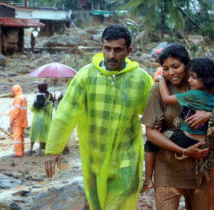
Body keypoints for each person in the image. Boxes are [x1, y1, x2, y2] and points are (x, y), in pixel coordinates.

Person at [44, 25, 153, 210]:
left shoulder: (140, 79)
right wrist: (53, 149)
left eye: (118, 50)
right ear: (101, 47)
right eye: (107, 48)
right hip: (94, 157)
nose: (111, 55)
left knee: (121, 203)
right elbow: (66, 112)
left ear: (129, 51)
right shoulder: (86, 76)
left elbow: (155, 114)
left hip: (127, 156)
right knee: (97, 203)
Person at [140, 43, 214, 210]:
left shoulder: (205, 88)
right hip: (168, 169)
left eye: (176, 66)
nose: (171, 73)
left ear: (187, 65)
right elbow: (151, 133)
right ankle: (148, 179)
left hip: (201, 169)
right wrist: (182, 151)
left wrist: (210, 116)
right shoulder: (159, 90)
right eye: (166, 68)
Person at [28, 83, 53, 156]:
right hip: (45, 119)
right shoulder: (48, 97)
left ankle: (31, 149)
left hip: (36, 118)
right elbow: (50, 111)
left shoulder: (37, 97)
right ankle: (40, 150)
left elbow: (32, 109)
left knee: (34, 133)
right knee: (43, 134)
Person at [9, 84, 28, 157]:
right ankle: (22, 151)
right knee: (21, 137)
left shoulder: (17, 98)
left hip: (17, 121)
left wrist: (12, 120)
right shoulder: (23, 97)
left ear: (15, 90)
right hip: (23, 120)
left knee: (17, 138)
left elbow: (16, 111)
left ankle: (18, 153)